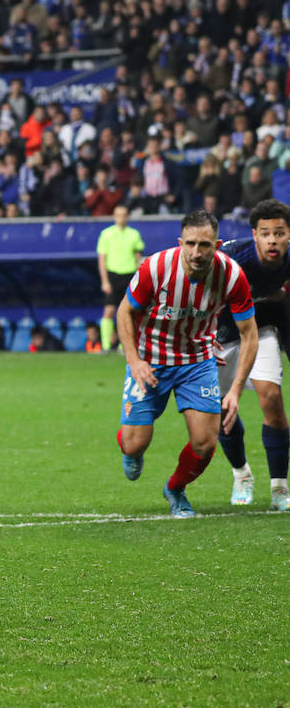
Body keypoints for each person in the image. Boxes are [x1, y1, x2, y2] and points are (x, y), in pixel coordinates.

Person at [116, 209, 258, 518]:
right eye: (190, 244)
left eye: (204, 245)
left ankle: (175, 488)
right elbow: (124, 311)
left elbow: (250, 334)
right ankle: (132, 449)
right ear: (180, 242)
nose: (196, 252)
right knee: (133, 443)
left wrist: (234, 389)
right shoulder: (154, 268)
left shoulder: (232, 276)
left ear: (217, 245)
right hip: (150, 359)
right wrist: (134, 360)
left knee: (205, 442)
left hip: (197, 360)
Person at [212, 200, 290, 510]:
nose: (273, 240)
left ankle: (280, 488)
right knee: (222, 412)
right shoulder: (231, 260)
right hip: (220, 336)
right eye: (266, 233)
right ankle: (241, 474)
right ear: (255, 235)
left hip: (261, 328)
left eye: (280, 233)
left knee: (271, 397)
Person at [97, 205, 144, 352]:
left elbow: (138, 259)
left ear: (127, 216)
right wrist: (105, 280)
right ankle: (106, 346)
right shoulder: (106, 234)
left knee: (128, 312)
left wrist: (139, 279)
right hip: (113, 275)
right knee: (109, 310)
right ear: (114, 216)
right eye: (118, 215)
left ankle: (124, 345)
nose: (121, 218)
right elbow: (102, 259)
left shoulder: (134, 234)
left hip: (129, 275)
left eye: (124, 215)